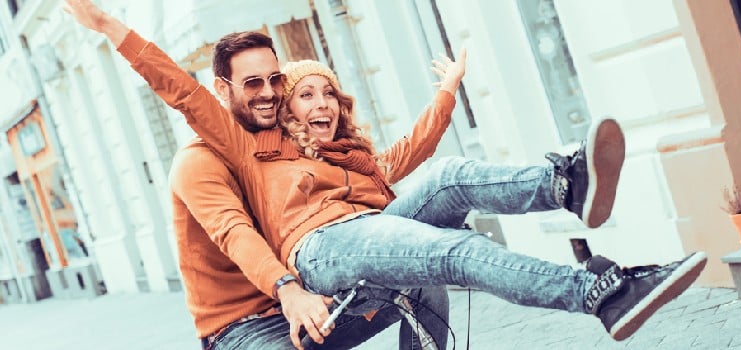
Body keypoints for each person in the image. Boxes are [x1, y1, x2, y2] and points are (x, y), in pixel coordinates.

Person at [65, 1, 708, 349]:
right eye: (256, 85)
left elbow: (409, 156)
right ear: (232, 90)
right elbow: (181, 94)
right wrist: (111, 28)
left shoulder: (325, 153)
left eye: (282, 86)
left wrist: (448, 96)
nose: (277, 97)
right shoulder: (233, 147)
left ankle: (567, 184)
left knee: (451, 178)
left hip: (360, 230)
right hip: (312, 255)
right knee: (448, 252)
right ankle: (598, 293)